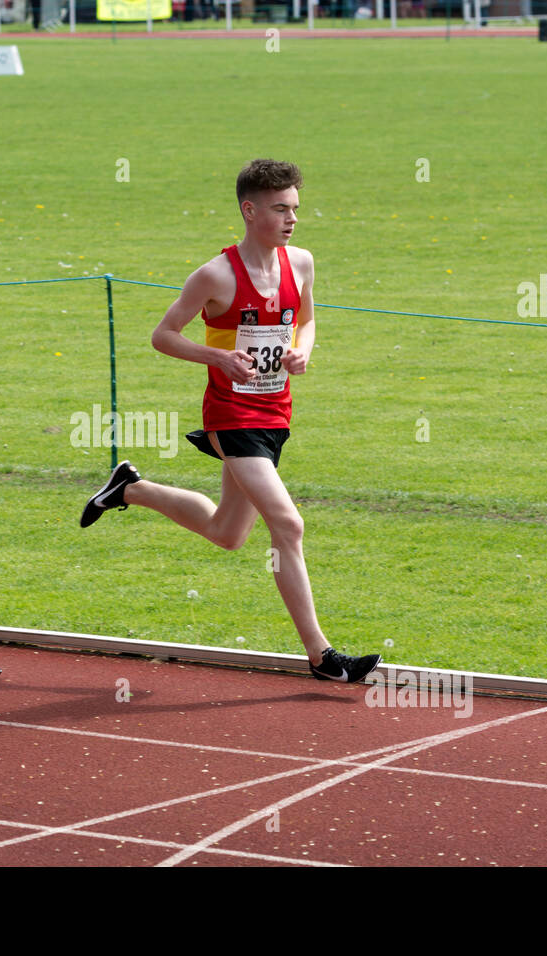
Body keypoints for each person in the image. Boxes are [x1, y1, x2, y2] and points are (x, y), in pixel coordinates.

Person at [81, 158, 382, 685]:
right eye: (280, 209)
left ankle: (130, 489)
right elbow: (163, 335)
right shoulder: (215, 276)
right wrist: (216, 357)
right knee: (287, 524)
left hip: (275, 412)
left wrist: (300, 352)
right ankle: (322, 657)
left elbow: (306, 320)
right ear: (249, 210)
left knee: (227, 532)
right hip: (231, 415)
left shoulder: (302, 263)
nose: (292, 219)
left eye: (295, 209)